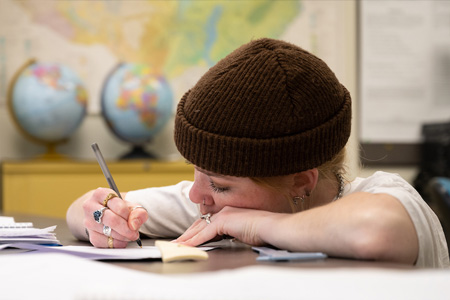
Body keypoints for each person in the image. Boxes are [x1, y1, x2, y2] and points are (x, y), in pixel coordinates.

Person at [66, 38, 449, 268]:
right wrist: (103, 214)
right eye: (197, 171)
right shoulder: (217, 204)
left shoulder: (388, 197)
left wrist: (255, 225)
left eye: (218, 183)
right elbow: (81, 214)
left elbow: (378, 230)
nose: (197, 195)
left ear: (301, 181)